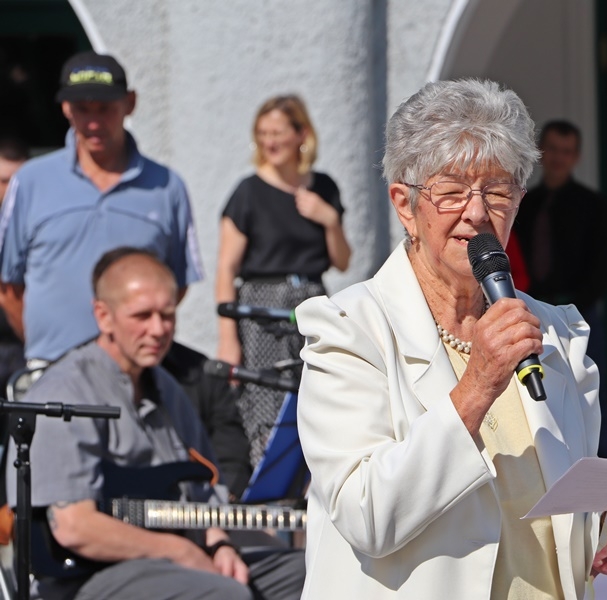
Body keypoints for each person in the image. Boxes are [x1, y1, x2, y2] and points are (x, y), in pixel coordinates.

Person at [294, 78, 607, 599]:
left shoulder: (556, 332)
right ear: (405, 205)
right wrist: (477, 386)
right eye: (451, 191)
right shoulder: (348, 329)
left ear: (518, 202)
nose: (476, 212)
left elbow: (562, 524)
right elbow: (368, 516)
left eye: (497, 191)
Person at [6, 247, 304, 600]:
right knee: (225, 595)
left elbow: (202, 492)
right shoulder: (65, 391)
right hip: (91, 576)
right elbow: (74, 526)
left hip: (178, 556)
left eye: (167, 315)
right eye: (142, 316)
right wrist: (178, 551)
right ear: (103, 316)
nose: (158, 329)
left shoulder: (168, 388)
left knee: (308, 572)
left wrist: (220, 544)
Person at [0, 51, 203, 365]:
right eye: (82, 109)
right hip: (51, 366)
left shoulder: (166, 186)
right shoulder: (30, 181)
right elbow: (7, 284)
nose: (94, 123)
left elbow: (175, 284)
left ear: (130, 103)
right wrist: (41, 345)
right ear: (66, 108)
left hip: (133, 371)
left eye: (105, 108)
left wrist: (134, 337)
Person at [216, 94, 350, 465]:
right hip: (262, 309)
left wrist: (329, 219)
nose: (269, 141)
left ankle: (314, 485)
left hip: (312, 300)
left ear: (301, 134)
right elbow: (225, 268)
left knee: (320, 395)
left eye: (277, 133)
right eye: (262, 133)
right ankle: (270, 485)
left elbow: (342, 261)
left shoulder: (323, 187)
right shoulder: (248, 192)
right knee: (267, 403)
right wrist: (227, 338)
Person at [514, 119, 607, 458]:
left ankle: (602, 471)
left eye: (567, 152)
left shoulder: (592, 204)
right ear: (541, 152)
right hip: (530, 310)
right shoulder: (523, 204)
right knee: (539, 393)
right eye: (553, 149)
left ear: (576, 157)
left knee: (589, 394)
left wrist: (575, 306)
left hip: (578, 314)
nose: (559, 158)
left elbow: (602, 266)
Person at [162, 341, 253, 499]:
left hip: (204, 504)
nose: (157, 330)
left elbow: (231, 453)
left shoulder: (204, 372)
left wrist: (225, 498)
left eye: (167, 321)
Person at [0, 136, 27, 395]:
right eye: (3, 181)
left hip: (25, 347)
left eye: (18, 181)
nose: (10, 190)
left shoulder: (38, 226)